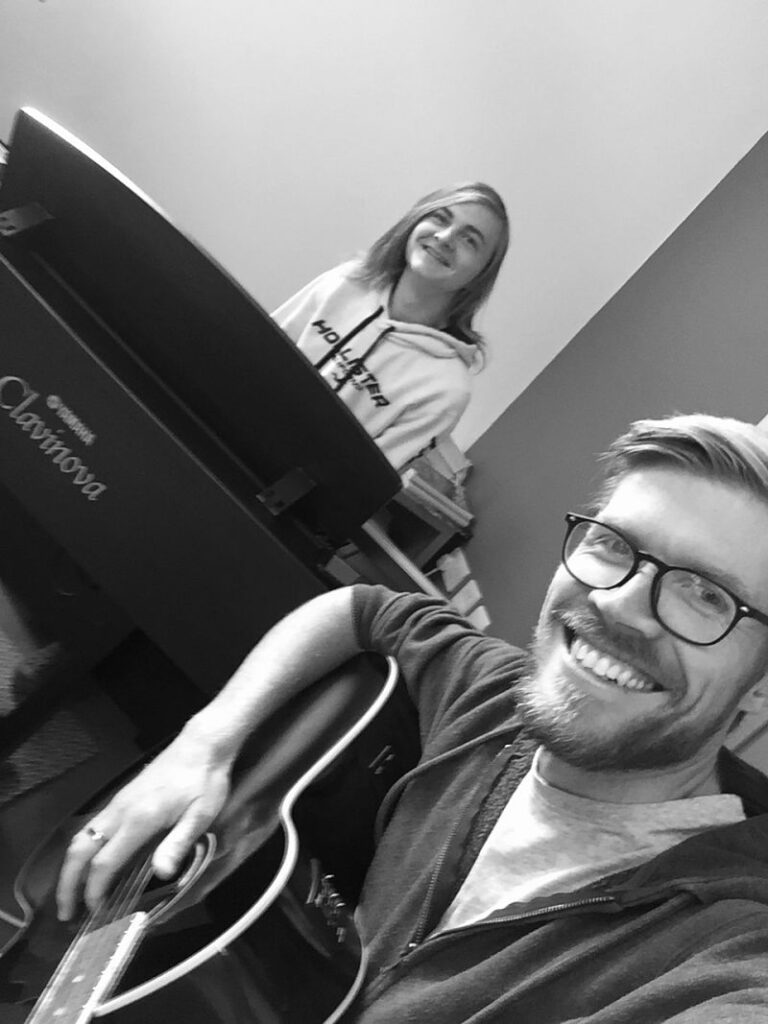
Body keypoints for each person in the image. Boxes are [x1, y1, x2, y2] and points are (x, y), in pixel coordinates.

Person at [57, 412, 768, 1022]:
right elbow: (367, 609)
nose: (617, 603)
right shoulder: (496, 701)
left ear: (760, 692)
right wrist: (201, 746)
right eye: (612, 545)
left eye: (705, 596)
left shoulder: (728, 943)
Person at [272, 182, 510, 471]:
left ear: (480, 275)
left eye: (469, 240)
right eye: (440, 218)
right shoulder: (345, 282)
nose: (446, 238)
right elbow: (252, 356)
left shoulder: (446, 389)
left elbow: (362, 481)